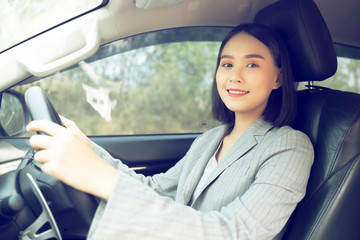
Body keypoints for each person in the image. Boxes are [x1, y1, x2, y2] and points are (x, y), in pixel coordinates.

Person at [26, 23, 314, 240]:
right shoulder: (209, 139)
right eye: (227, 63)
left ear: (277, 77)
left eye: (252, 64)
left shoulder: (290, 146)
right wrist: (86, 149)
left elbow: (235, 232)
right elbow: (154, 190)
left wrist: (103, 179)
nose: (234, 76)